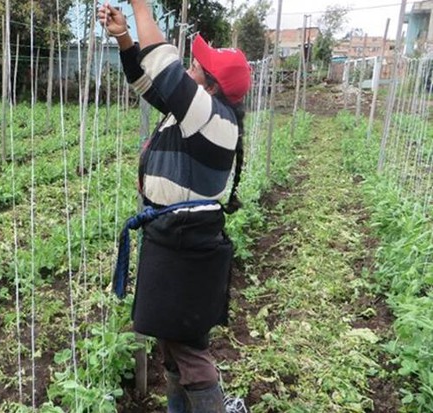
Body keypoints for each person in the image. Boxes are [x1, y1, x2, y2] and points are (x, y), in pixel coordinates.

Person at [98, 2, 251, 413]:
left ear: (212, 87)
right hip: (176, 238)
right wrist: (125, 40)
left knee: (187, 349)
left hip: (185, 242)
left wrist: (141, 8)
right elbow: (149, 83)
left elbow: (163, 64)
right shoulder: (196, 115)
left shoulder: (209, 116)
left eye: (198, 69)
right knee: (172, 341)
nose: (190, 71)